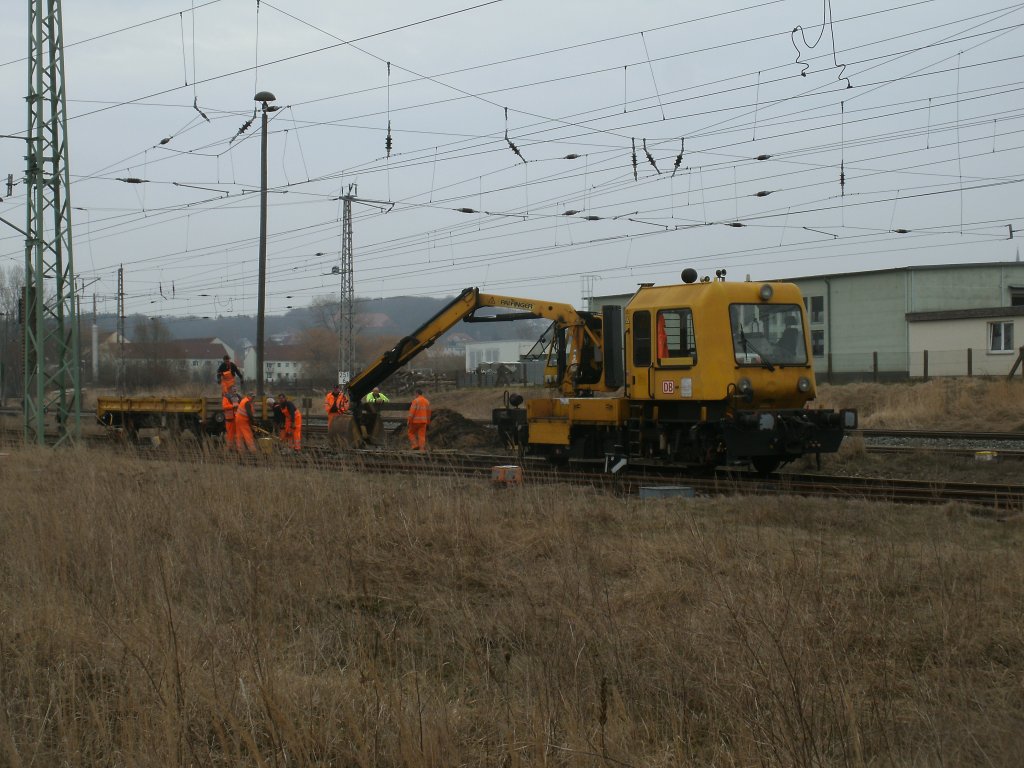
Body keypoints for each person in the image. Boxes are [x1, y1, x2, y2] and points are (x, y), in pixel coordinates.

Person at [222, 386, 240, 450]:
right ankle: (229, 448)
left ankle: (237, 447)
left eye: (235, 389)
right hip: (230, 419)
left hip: (237, 418)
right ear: (230, 390)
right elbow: (224, 406)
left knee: (238, 433)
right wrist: (232, 406)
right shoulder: (226, 397)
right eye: (234, 390)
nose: (235, 391)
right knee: (230, 434)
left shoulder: (238, 396)